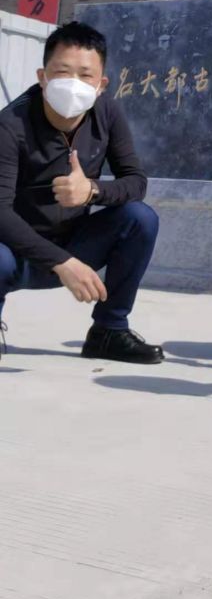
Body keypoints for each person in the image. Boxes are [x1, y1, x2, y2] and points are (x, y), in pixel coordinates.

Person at [0, 20, 163, 363]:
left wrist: (91, 191)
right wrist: (62, 262)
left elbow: (136, 182)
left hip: (76, 242)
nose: (73, 84)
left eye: (85, 75)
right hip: (17, 254)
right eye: (62, 72)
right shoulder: (10, 125)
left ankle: (109, 331)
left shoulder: (107, 113)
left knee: (140, 218)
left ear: (101, 85)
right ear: (42, 77)